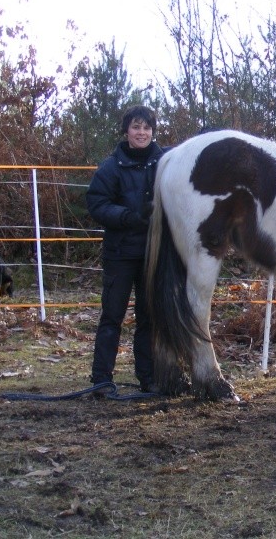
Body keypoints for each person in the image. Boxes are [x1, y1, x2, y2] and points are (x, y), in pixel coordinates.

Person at [86, 105, 166, 395]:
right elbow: (97, 203)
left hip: (153, 255)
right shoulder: (111, 167)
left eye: (146, 127)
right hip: (120, 254)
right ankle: (102, 379)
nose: (141, 132)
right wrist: (128, 217)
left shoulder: (166, 163)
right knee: (112, 317)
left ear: (153, 131)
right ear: (126, 131)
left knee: (149, 318)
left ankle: (149, 377)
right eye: (135, 127)